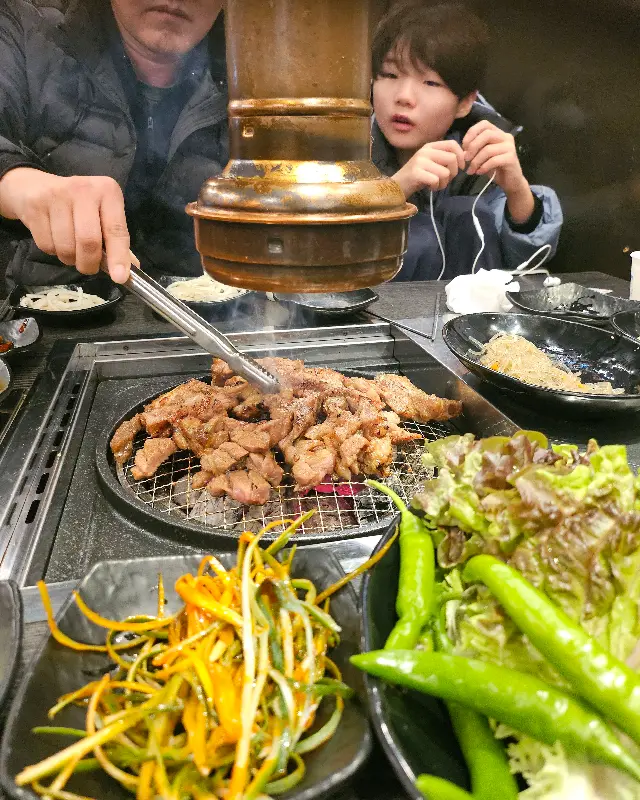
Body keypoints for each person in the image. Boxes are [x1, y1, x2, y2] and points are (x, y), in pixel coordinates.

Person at [0, 0, 227, 286]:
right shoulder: (26, 31)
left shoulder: (252, 69)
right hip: (46, 315)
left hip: (214, 314)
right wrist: (18, 181)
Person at [371, 1, 563, 281]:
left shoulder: (479, 151)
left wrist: (516, 188)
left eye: (430, 83)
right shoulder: (346, 143)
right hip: (366, 316)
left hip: (463, 320)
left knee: (463, 212)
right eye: (390, 75)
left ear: (464, 102)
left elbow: (524, 262)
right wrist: (397, 189)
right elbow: (320, 247)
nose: (404, 97)